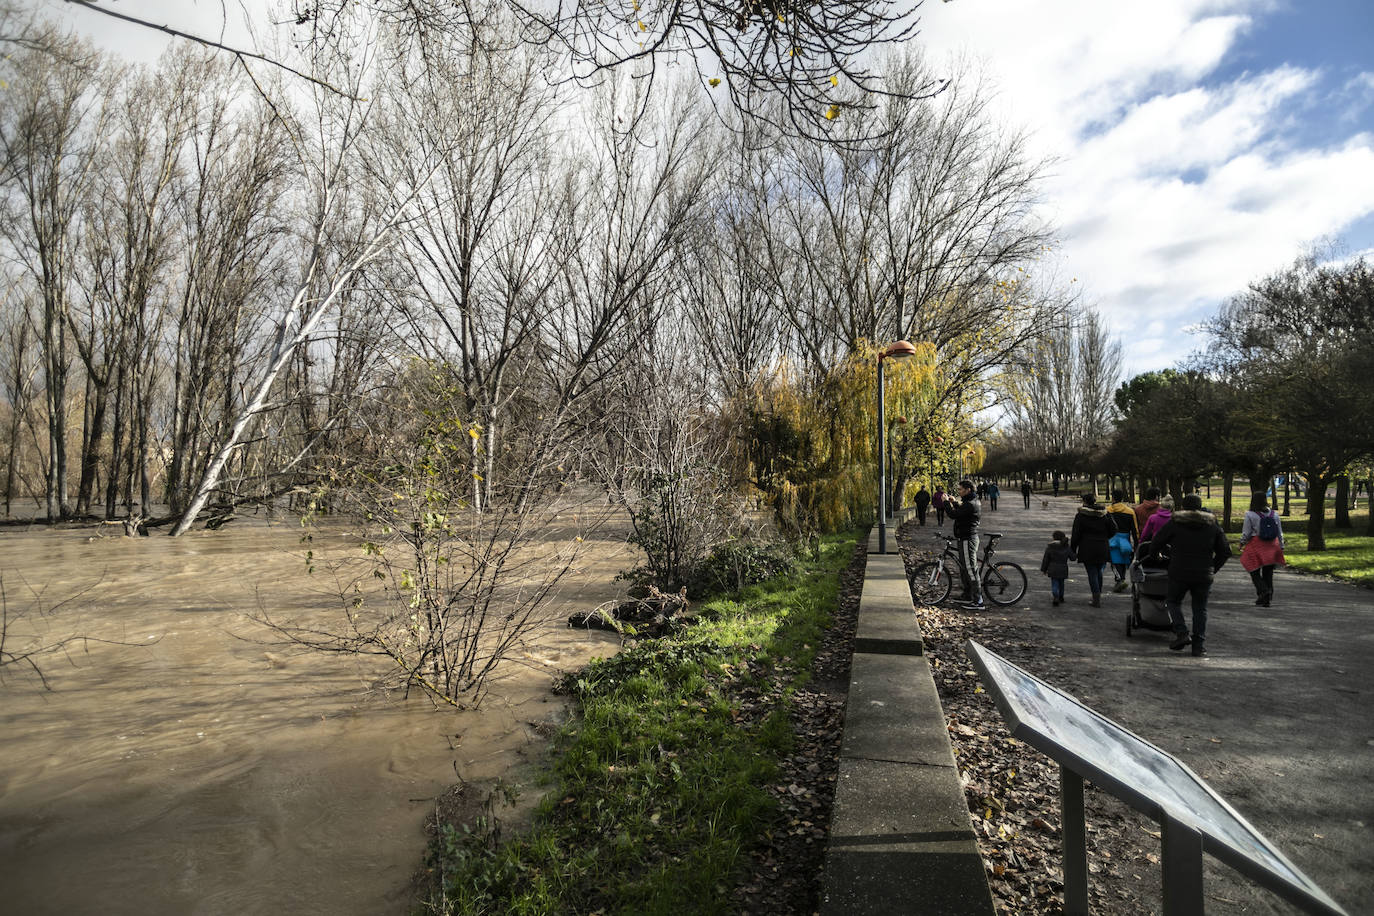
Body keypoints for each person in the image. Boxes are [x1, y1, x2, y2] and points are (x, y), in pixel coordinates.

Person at [1145, 494, 1231, 657]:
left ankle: (1181, 632)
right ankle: (1198, 645)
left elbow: (1156, 542)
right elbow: (1225, 551)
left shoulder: (1175, 523)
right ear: (1200, 507)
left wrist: (1156, 556)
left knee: (1172, 601)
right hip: (1203, 573)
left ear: (1182, 507)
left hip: (1179, 570)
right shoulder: (1212, 524)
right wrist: (1213, 567)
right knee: (1200, 609)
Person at [1070, 492, 1116, 607]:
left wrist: (1073, 549)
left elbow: (1076, 534)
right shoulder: (1105, 514)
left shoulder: (1081, 515)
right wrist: (1105, 537)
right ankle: (1097, 595)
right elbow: (1114, 528)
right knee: (1099, 571)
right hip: (1102, 546)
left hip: (1087, 547)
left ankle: (1096, 598)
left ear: (1085, 502)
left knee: (1092, 572)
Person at [1239, 492, 1285, 607]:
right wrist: (1281, 545)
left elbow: (1247, 532)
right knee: (1268, 572)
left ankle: (1263, 590)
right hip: (1272, 545)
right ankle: (1267, 597)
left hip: (1257, 544)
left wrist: (1242, 543)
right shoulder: (1274, 514)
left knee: (1252, 568)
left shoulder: (1250, 514)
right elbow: (1279, 532)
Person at [948, 479, 984, 609]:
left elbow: (954, 515)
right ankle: (968, 595)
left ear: (968, 490)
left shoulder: (971, 504)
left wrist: (946, 503)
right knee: (965, 568)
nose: (959, 491)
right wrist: (954, 503)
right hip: (965, 538)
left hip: (968, 539)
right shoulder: (970, 502)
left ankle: (978, 600)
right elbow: (963, 512)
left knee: (970, 569)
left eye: (960, 489)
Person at [1106, 490, 1140, 592]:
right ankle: (1122, 578)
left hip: (1112, 539)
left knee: (1114, 560)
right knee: (1124, 560)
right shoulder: (1130, 511)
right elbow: (1135, 529)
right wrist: (1136, 544)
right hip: (1125, 540)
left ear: (1113, 498)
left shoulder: (1108, 510)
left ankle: (1119, 579)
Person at [1040, 529, 1076, 607]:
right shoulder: (1066, 547)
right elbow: (1073, 558)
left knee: (1055, 583)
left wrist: (1044, 569)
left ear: (1054, 538)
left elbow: (1046, 559)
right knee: (1061, 583)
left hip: (1053, 568)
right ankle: (1061, 597)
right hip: (1063, 568)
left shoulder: (1050, 547)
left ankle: (1055, 596)